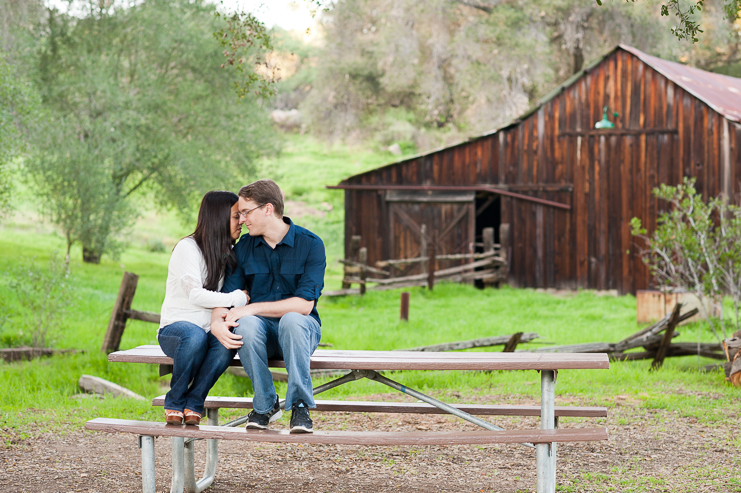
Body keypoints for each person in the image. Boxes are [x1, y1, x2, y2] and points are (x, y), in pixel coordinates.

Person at [210, 179, 325, 434]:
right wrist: (215, 322)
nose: (241, 220)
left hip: (300, 332)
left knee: (291, 319)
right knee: (247, 324)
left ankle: (300, 406)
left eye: (246, 212)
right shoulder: (244, 248)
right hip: (261, 335)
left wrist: (250, 308)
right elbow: (228, 297)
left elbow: (304, 305)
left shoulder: (311, 245)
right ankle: (265, 404)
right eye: (239, 214)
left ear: (268, 209)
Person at [158, 191, 248, 426]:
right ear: (218, 217)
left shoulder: (226, 252)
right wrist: (236, 298)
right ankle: (175, 401)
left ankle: (195, 402)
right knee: (194, 335)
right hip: (175, 332)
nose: (242, 222)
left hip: (209, 331)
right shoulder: (187, 248)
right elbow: (195, 295)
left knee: (229, 340)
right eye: (236, 216)